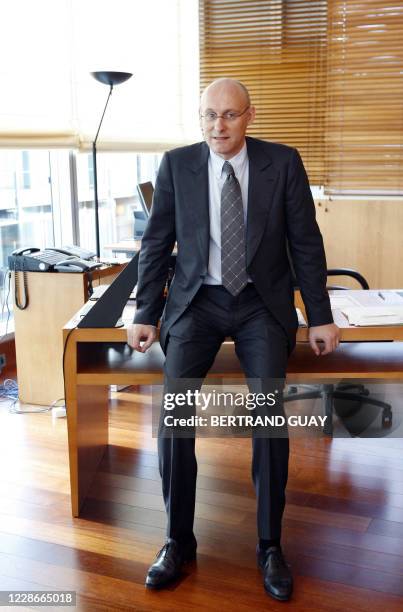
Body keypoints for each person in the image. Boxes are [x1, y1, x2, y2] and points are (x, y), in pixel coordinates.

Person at [127, 78, 340, 601]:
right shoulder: (178, 165)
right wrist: (145, 311)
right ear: (199, 119)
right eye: (208, 116)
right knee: (175, 415)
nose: (217, 127)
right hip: (196, 303)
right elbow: (157, 243)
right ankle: (178, 541)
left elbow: (306, 242)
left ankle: (270, 544)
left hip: (260, 305)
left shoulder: (282, 163)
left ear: (249, 116)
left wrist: (319, 315)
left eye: (228, 115)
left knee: (268, 414)